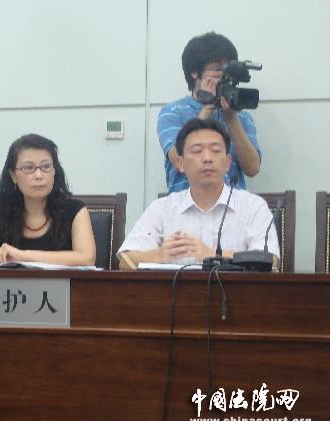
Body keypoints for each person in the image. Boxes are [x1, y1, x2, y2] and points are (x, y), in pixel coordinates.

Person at [117, 118, 279, 269]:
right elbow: (125, 262)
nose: (207, 158)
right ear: (181, 163)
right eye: (197, 151)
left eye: (215, 150)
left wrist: (212, 255)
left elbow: (271, 262)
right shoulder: (162, 208)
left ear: (228, 162)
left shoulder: (253, 206)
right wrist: (159, 255)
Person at [0, 133, 96, 266]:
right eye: (29, 168)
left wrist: (23, 256)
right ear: (13, 175)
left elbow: (87, 258)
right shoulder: (1, 215)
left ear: (54, 171)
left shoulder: (74, 210)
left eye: (46, 166)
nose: (39, 175)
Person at [158, 31, 262, 193]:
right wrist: (207, 108)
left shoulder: (241, 117)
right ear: (194, 72)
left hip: (232, 205)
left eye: (228, 70)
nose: (223, 76)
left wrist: (232, 118)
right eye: (217, 69)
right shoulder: (172, 112)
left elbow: (253, 168)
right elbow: (178, 159)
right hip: (185, 204)